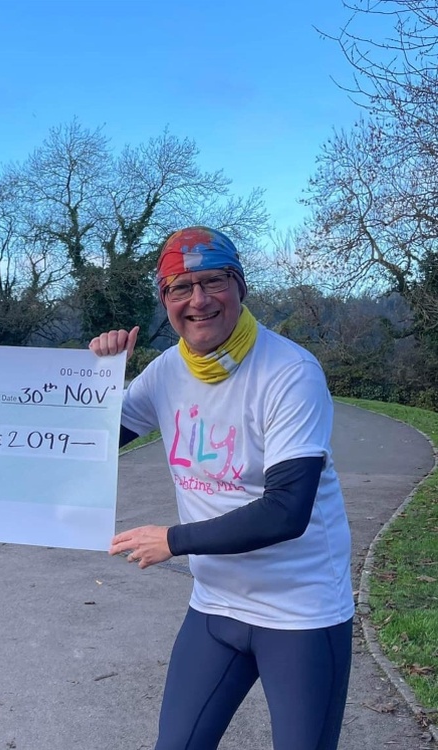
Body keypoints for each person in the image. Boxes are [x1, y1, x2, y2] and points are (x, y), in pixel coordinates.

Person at [89, 227, 354, 750]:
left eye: (214, 282)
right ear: (164, 300)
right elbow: (89, 443)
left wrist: (174, 540)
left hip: (299, 611)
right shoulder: (167, 371)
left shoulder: (290, 372)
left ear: (241, 288)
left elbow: (286, 512)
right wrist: (95, 377)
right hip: (216, 607)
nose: (200, 300)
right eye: (181, 288)